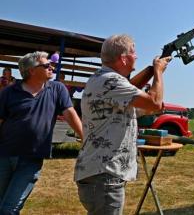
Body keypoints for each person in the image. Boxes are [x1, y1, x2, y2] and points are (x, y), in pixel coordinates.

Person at [74, 34, 171, 215]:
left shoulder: (103, 78)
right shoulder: (111, 80)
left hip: (101, 176)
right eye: (133, 53)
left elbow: (133, 93)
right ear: (123, 58)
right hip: (104, 177)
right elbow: (155, 103)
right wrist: (157, 71)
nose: (136, 56)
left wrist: (151, 69)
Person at [0, 51, 83, 214]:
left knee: (9, 209)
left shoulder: (57, 89)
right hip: (4, 155)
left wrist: (85, 139)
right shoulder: (9, 92)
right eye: (46, 65)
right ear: (31, 70)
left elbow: (70, 115)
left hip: (31, 158)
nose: (51, 67)